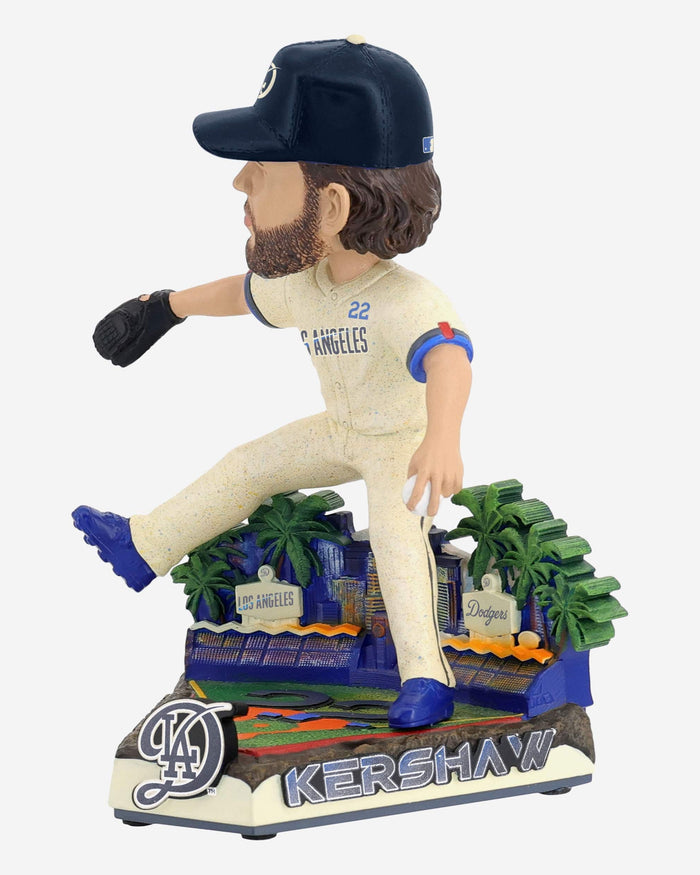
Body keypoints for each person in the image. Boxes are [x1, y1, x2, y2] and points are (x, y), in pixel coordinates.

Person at [73, 36, 473, 730]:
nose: (241, 184)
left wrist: (443, 437)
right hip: (341, 430)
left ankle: (426, 679)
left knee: (396, 538)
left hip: (399, 445)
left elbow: (449, 358)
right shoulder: (307, 284)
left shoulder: (405, 298)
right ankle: (144, 545)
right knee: (248, 464)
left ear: (334, 207)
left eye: (262, 170)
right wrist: (165, 306)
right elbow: (243, 292)